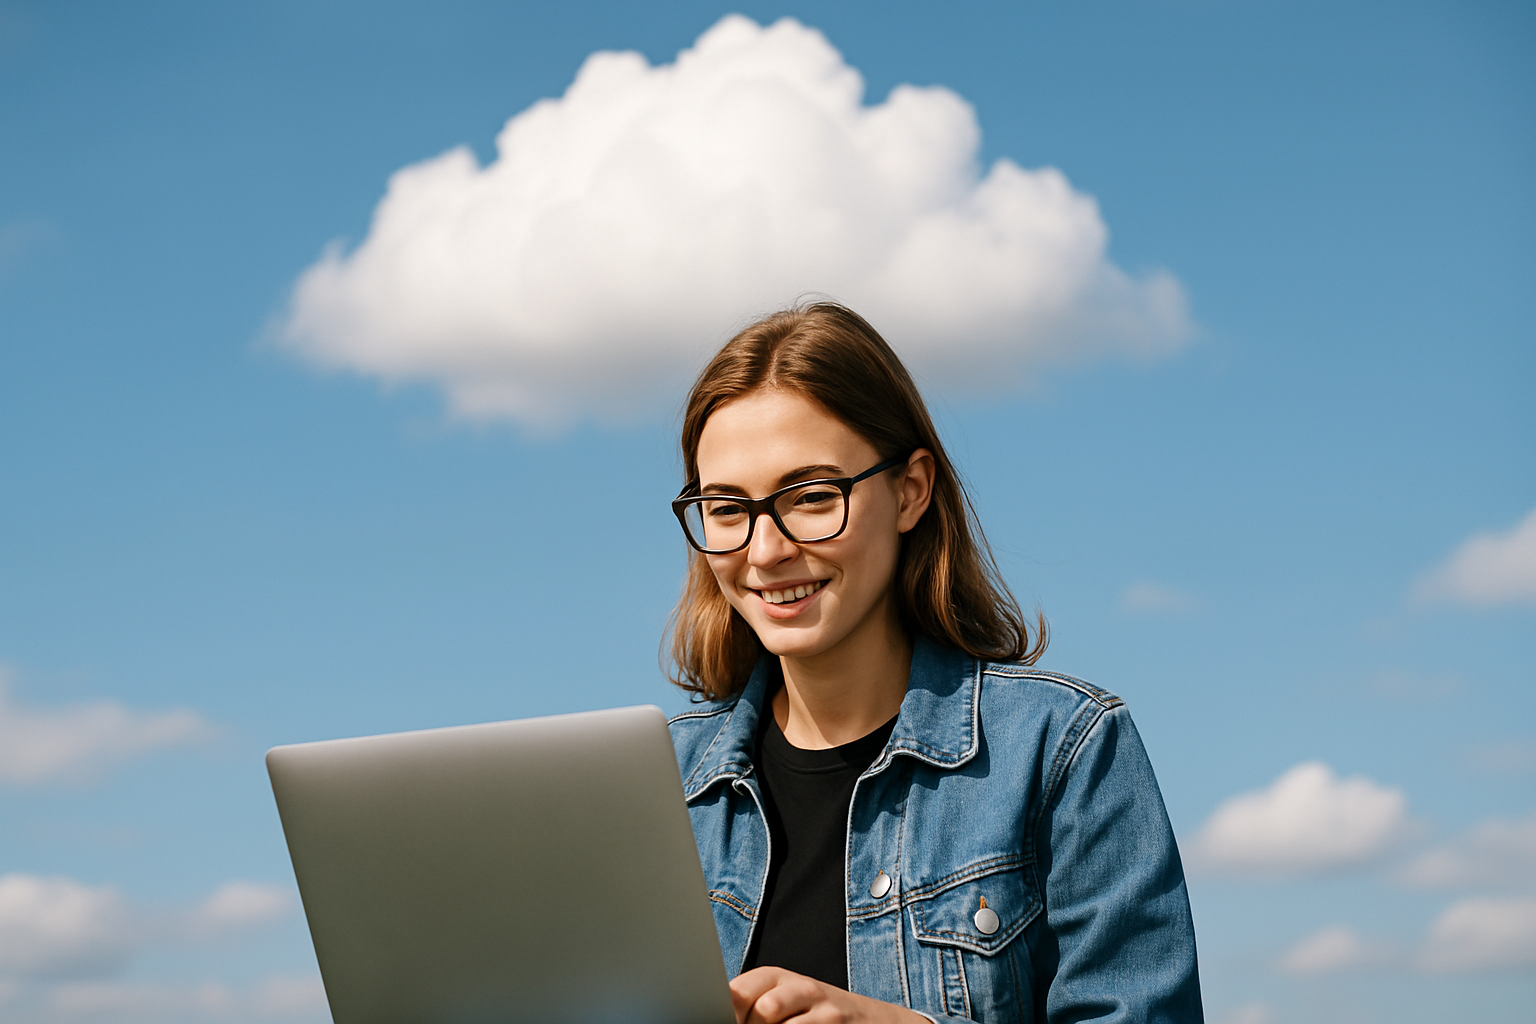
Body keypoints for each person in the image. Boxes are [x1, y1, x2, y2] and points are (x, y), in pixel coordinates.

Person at [666, 303, 1203, 1024]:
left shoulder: (1064, 750)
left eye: (813, 497)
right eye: (727, 509)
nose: (765, 551)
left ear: (911, 491)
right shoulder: (662, 791)